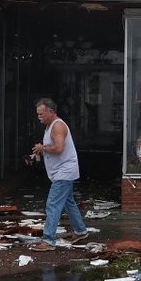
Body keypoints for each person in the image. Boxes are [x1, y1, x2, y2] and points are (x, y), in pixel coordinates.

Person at [29, 97, 88, 251]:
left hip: (64, 171)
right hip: (61, 172)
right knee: (69, 202)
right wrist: (40, 152)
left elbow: (59, 148)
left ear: (51, 111)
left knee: (53, 204)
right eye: (37, 114)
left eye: (41, 114)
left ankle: (48, 240)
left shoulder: (57, 126)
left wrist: (43, 148)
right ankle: (81, 231)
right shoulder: (49, 126)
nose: (39, 117)